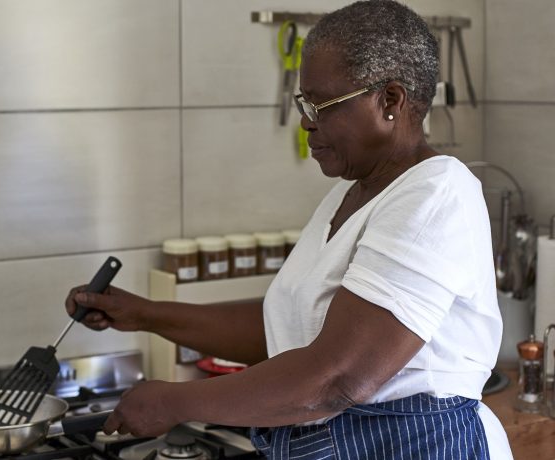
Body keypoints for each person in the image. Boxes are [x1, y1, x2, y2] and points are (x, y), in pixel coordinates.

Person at [65, 1, 512, 458]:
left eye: (322, 103)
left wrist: (177, 402)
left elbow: (338, 376)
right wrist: (145, 314)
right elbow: (286, 332)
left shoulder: (436, 193)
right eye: (305, 101)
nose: (306, 120)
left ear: (390, 100)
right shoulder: (349, 195)